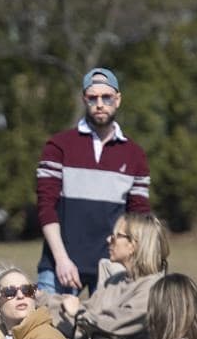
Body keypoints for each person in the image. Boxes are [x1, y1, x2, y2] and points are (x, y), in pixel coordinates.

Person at [36, 67, 151, 295]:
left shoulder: (135, 155)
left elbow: (139, 217)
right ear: (84, 99)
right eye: (93, 97)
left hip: (113, 269)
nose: (100, 104)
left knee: (109, 332)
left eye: (106, 97)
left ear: (117, 100)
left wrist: (133, 263)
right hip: (60, 266)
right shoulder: (58, 146)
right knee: (45, 331)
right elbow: (46, 208)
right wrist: (61, 260)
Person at [42, 212, 169, 339]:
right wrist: (36, 297)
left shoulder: (154, 288)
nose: (109, 240)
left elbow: (113, 323)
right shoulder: (116, 281)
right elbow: (86, 309)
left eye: (116, 236)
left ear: (133, 245)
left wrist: (78, 313)